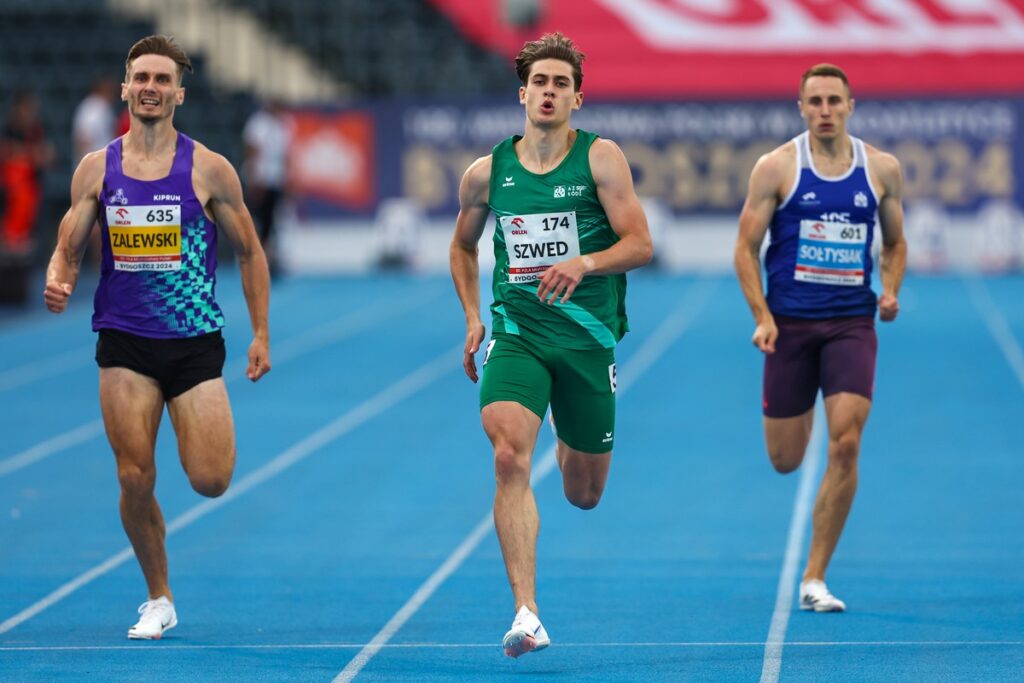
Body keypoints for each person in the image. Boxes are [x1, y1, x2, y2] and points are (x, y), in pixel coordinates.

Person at [43, 35, 271, 639]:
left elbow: (250, 253)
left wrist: (262, 335)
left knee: (211, 479)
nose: (150, 87)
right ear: (125, 88)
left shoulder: (209, 169)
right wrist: (59, 281)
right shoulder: (97, 168)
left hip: (194, 343)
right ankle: (158, 595)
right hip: (124, 341)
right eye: (140, 77)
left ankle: (165, 572)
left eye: (161, 79)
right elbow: (67, 246)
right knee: (133, 475)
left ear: (178, 93)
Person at [449, 32, 652, 657]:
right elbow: (461, 246)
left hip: (587, 340)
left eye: (561, 83)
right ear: (523, 93)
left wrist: (585, 264)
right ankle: (527, 612)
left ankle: (570, 428)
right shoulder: (487, 174)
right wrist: (472, 316)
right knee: (508, 454)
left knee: (583, 494)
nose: (549, 92)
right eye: (540, 82)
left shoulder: (600, 159)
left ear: (577, 99)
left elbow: (640, 245)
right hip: (518, 332)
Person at [734, 63, 907, 612]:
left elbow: (896, 243)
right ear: (801, 107)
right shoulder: (777, 168)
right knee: (785, 459)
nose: (826, 110)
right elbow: (744, 248)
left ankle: (815, 577)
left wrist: (891, 288)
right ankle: (798, 409)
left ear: (851, 105)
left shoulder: (880, 169)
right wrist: (761, 315)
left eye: (835, 100)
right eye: (816, 101)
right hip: (789, 326)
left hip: (851, 322)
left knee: (847, 442)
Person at [242, 98, 291, 275]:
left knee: (272, 222)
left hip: (275, 179)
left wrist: (288, 180)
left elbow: (285, 155)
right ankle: (257, 259)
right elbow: (252, 153)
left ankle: (268, 259)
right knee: (259, 222)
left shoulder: (283, 125)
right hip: (261, 180)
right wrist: (255, 179)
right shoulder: (258, 124)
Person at [1, 90, 55, 250]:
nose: (30, 112)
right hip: (11, 187)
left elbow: (48, 155)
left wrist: (32, 154)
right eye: (26, 108)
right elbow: (7, 152)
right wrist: (30, 154)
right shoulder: (8, 129)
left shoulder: (37, 129)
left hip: (34, 185)